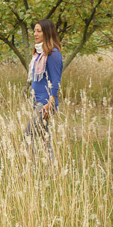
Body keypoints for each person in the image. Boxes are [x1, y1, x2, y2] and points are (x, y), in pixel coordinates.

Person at [25, 19, 63, 164]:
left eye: (38, 31)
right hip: (36, 99)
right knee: (44, 136)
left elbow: (55, 81)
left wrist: (50, 103)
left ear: (47, 33)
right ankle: (50, 168)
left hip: (45, 102)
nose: (35, 34)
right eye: (34, 31)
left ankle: (32, 169)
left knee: (28, 134)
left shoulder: (53, 54)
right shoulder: (39, 54)